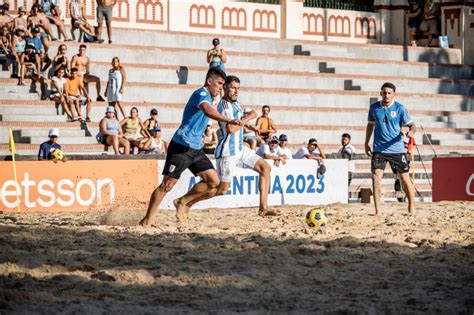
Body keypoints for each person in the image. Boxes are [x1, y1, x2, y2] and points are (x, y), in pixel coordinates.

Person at [139, 67, 241, 227]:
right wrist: (228, 120)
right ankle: (147, 221)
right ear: (209, 81)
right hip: (181, 146)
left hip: (195, 148)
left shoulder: (213, 96)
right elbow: (207, 110)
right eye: (219, 84)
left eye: (223, 85)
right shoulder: (201, 94)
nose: (221, 88)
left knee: (214, 182)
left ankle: (182, 202)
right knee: (167, 185)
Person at [212, 75, 279, 216]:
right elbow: (231, 129)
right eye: (233, 88)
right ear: (224, 87)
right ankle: (186, 200)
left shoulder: (235, 103)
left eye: (238, 88)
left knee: (265, 168)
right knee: (221, 190)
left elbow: (243, 121)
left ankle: (263, 208)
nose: (236, 91)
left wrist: (249, 126)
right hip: (227, 153)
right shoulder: (224, 106)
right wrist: (248, 118)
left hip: (240, 149)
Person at [364, 82, 416, 215]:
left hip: (397, 149)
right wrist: (366, 142)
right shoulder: (374, 108)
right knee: (376, 176)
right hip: (379, 149)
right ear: (380, 93)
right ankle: (378, 211)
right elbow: (370, 125)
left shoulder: (400, 108)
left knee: (404, 178)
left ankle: (411, 207)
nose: (386, 95)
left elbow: (412, 125)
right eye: (384, 92)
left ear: (394, 94)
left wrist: (411, 132)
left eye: (389, 93)